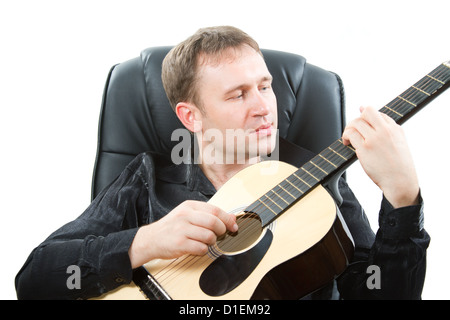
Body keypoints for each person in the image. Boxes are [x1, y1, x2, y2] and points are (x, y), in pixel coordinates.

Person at [15, 26, 429, 300]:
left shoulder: (320, 180)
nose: (264, 107)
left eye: (265, 86)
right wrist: (147, 241)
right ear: (190, 116)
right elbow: (34, 280)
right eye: (238, 94)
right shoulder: (148, 178)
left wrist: (403, 198)